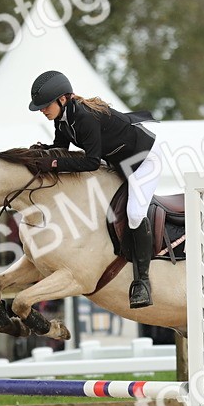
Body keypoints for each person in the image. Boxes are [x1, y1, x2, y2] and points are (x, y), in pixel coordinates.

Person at [27, 70, 164, 308]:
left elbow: (90, 162)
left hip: (145, 161)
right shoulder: (63, 119)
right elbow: (61, 148)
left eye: (45, 105)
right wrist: (42, 153)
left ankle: (142, 282)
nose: (42, 110)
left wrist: (53, 162)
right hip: (118, 163)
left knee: (134, 213)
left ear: (62, 99)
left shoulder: (84, 118)